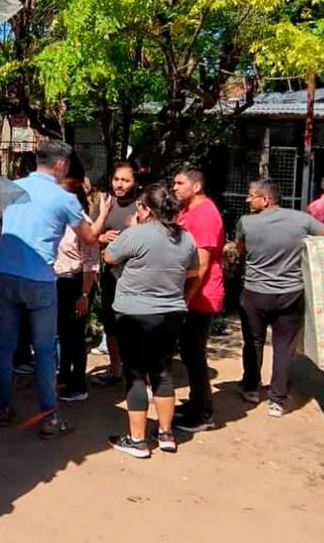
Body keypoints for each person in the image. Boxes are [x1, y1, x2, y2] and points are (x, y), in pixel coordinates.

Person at [0, 139, 110, 438]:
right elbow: (91, 237)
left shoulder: (11, 187)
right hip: (40, 281)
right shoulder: (64, 199)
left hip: (4, 275)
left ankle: (2, 409)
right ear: (60, 165)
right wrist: (103, 211)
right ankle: (50, 418)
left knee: (4, 347)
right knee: (44, 352)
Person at [103, 184, 199, 458]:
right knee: (163, 371)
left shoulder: (137, 234)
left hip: (134, 312)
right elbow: (193, 272)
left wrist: (133, 227)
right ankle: (166, 433)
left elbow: (109, 256)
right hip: (170, 313)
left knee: (135, 374)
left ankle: (137, 439)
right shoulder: (186, 238)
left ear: (145, 209)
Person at [236, 178, 324, 418]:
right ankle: (278, 400)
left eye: (251, 195)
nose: (247, 199)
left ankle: (251, 388)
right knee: (283, 346)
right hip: (290, 293)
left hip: (255, 294)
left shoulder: (246, 222)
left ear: (265, 199)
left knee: (253, 342)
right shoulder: (301, 220)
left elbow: (240, 249)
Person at [172, 167, 225, 433]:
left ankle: (203, 413)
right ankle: (195, 402)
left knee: (194, 353)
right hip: (189, 293)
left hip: (201, 295)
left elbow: (202, 265)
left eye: (180, 183)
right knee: (189, 352)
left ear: (196, 186)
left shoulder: (205, 215)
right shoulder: (187, 210)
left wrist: (184, 299)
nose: (175, 187)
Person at [55, 160, 101, 402]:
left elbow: (91, 262)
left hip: (76, 283)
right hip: (59, 282)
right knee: (64, 333)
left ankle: (78, 383)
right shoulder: (57, 218)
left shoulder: (84, 223)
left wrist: (84, 294)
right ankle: (63, 376)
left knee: (75, 335)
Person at [91, 161, 139, 385]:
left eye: (126, 180)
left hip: (136, 277)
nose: (120, 185)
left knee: (134, 326)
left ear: (135, 181)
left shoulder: (142, 206)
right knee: (110, 323)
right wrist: (101, 238)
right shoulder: (103, 203)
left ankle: (139, 376)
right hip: (111, 274)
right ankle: (115, 368)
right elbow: (89, 235)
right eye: (117, 179)